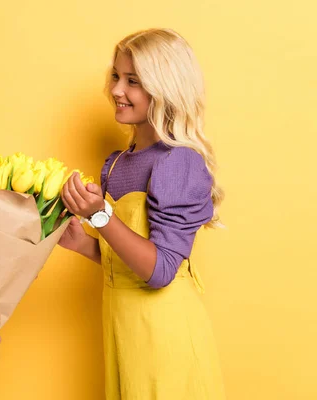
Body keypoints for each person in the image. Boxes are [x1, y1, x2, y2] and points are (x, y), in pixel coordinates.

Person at [59, 28, 226, 399]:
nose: (117, 89)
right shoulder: (117, 163)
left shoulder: (178, 162)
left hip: (165, 335)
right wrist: (83, 244)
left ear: (165, 87)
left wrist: (100, 216)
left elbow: (160, 270)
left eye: (133, 81)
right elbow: (127, 262)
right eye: (116, 76)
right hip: (123, 332)